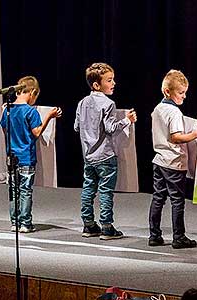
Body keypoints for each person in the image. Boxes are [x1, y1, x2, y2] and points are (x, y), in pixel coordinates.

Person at [74, 62, 137, 240]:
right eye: (109, 80)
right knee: (105, 192)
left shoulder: (81, 103)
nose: (113, 83)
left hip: (88, 156)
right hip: (105, 156)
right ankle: (107, 227)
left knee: (88, 189)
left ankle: (88, 224)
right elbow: (111, 129)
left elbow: (76, 127)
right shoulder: (108, 103)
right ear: (96, 85)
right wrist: (127, 120)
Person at [0, 75, 62, 233]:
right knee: (26, 190)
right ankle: (26, 223)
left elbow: (5, 131)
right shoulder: (31, 112)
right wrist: (49, 116)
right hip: (26, 157)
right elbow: (37, 133)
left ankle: (15, 223)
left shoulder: (7, 110)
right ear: (32, 92)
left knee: (13, 190)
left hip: (11, 157)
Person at [149, 69, 197, 249]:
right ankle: (179, 236)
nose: (184, 97)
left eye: (185, 93)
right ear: (167, 92)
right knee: (177, 200)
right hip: (174, 162)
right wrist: (194, 134)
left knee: (158, 198)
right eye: (180, 93)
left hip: (159, 160)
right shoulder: (174, 112)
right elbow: (176, 137)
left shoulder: (157, 109)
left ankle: (154, 235)